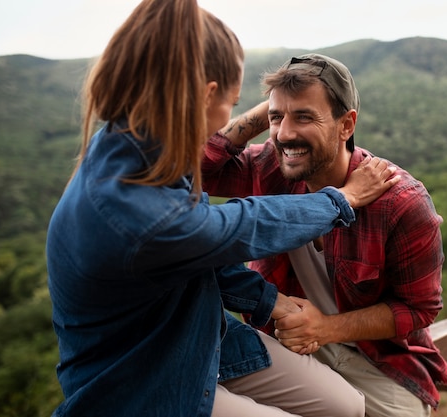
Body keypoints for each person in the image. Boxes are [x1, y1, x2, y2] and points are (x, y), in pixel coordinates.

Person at [45, 2, 399, 416]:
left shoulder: (139, 148)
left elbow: (198, 258)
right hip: (145, 377)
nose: (230, 118)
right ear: (208, 94)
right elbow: (237, 227)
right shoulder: (133, 205)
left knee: (347, 406)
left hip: (200, 333)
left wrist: (269, 302)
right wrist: (342, 200)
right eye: (232, 102)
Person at [201, 53, 447, 416]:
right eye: (277, 118)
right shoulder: (272, 166)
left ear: (346, 125)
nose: (285, 133)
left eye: (304, 116)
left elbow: (419, 309)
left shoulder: (401, 203)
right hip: (287, 344)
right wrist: (270, 109)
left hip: (376, 356)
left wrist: (326, 328)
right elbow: (194, 167)